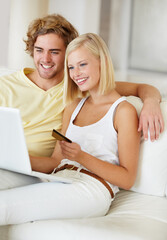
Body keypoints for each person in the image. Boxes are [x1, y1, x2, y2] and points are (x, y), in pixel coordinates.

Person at [0, 14, 164, 188]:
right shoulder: (5, 85)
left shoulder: (79, 85)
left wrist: (151, 104)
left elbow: (143, 88)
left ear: (68, 54)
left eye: (54, 52)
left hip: (30, 172)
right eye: (39, 50)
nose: (45, 59)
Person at [0, 33, 141, 225]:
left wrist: (81, 156)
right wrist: (11, 159)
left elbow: (127, 179)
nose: (76, 73)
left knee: (4, 206)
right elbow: (55, 161)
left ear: (102, 62)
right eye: (71, 67)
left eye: (82, 64)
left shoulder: (123, 111)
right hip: (60, 178)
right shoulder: (74, 106)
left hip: (92, 188)